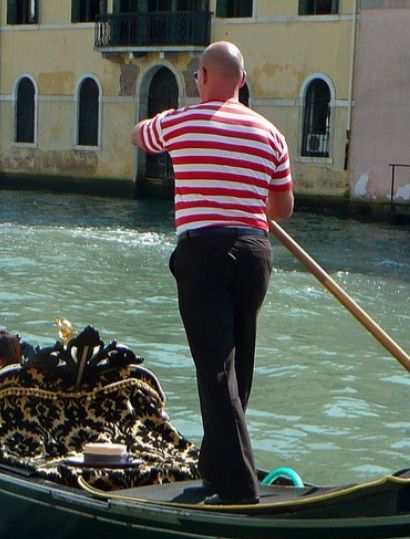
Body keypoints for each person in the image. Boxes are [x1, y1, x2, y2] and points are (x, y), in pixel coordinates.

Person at [131, 41, 294, 505]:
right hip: (254, 251)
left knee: (216, 368)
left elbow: (140, 135)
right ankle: (218, 470)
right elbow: (281, 207)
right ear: (242, 81)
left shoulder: (181, 122)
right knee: (239, 366)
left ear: (200, 77)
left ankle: (241, 488)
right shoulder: (270, 134)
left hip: (203, 252)